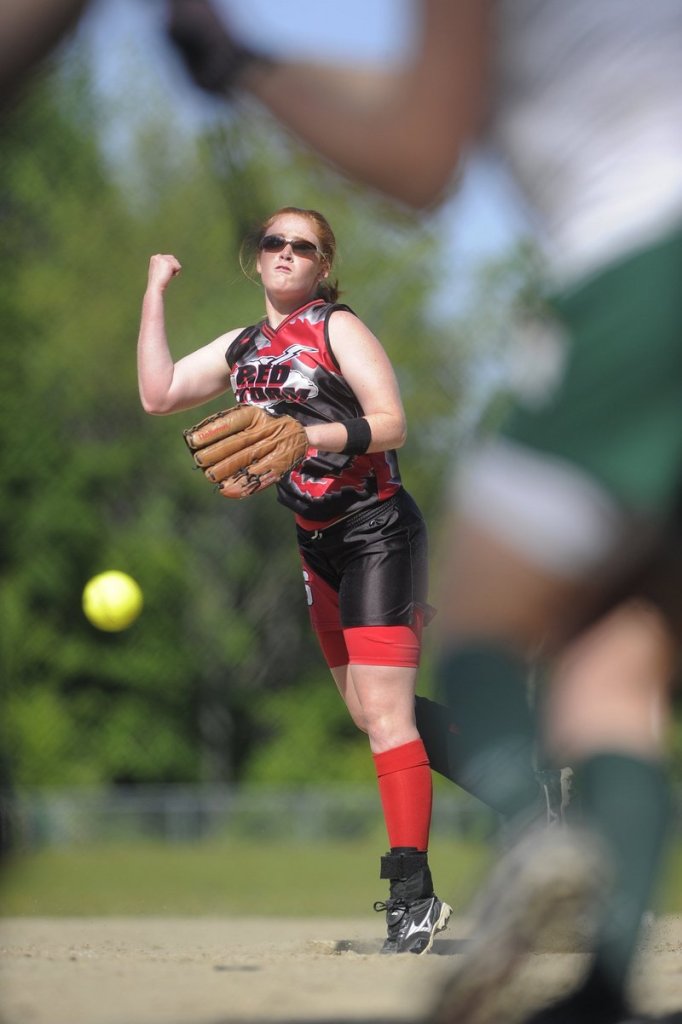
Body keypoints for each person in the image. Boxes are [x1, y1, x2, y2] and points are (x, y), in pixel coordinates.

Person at [164, 2, 682, 1022]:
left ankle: (536, 833)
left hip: (646, 272)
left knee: (493, 615)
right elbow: (441, 97)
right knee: (622, 655)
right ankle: (605, 982)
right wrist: (255, 61)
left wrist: (241, 69)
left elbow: (419, 153)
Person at [137, 205, 452, 955]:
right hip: (317, 547)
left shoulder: (335, 326)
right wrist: (155, 291)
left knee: (385, 718)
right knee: (372, 714)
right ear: (256, 258)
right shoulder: (245, 346)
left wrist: (305, 434)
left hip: (376, 530)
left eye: (301, 246)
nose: (284, 252)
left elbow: (392, 422)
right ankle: (518, 770)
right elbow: (159, 395)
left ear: (322, 263)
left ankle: (413, 898)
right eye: (273, 242)